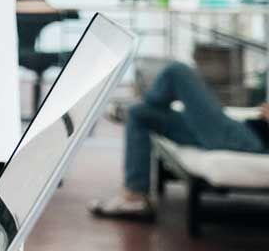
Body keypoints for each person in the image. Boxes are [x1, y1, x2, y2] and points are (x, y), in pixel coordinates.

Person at [91, 61, 268, 220]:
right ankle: (135, 196)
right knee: (139, 114)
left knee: (177, 72)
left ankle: (146, 102)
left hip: (245, 140)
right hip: (244, 130)